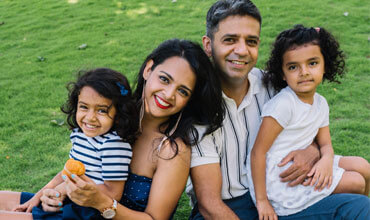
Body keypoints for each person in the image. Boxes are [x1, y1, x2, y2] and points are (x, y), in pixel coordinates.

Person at [186, 0, 370, 219]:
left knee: (360, 205)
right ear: (208, 45)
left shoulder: (273, 85)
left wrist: (312, 151)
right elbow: (209, 204)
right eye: (230, 40)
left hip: (285, 188)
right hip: (230, 206)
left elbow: (304, 121)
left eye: (251, 41)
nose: (242, 50)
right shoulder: (197, 105)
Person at [39, 39, 225, 220]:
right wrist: (47, 193)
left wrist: (103, 203)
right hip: (72, 209)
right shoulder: (111, 115)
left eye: (182, 91)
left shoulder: (171, 150)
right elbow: (81, 160)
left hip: (93, 214)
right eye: (164, 79)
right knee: (9, 201)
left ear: (189, 100)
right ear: (148, 69)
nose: (168, 95)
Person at [248, 24, 370, 220]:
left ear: (325, 65)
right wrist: (262, 201)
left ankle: (357, 213)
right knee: (355, 181)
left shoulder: (320, 103)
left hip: (307, 163)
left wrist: (326, 161)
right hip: (281, 181)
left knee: (363, 166)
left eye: (312, 63)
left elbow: (325, 144)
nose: (303, 72)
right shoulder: (283, 105)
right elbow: (257, 152)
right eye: (293, 67)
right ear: (283, 74)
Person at [0, 68, 139, 219]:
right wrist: (37, 198)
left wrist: (67, 189)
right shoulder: (80, 136)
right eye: (84, 107)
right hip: (67, 202)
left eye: (102, 111)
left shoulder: (114, 145)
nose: (90, 117)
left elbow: (113, 193)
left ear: (119, 115)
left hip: (85, 213)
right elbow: (67, 173)